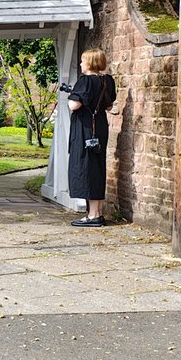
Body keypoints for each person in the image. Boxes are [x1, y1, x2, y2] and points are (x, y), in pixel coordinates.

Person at [67, 48, 117, 227]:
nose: (80, 64)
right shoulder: (107, 81)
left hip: (85, 128)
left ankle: (93, 215)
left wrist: (71, 95)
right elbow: (109, 106)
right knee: (97, 166)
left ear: (89, 63)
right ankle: (97, 212)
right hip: (100, 128)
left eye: (82, 61)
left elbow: (74, 105)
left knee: (85, 167)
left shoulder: (85, 81)